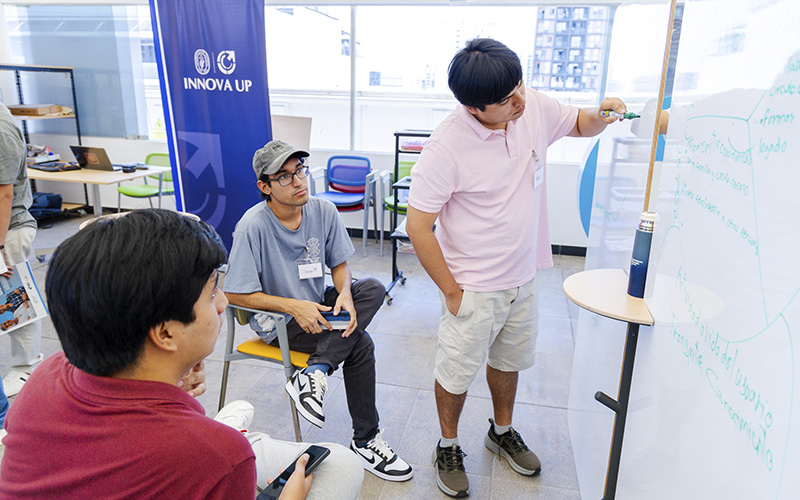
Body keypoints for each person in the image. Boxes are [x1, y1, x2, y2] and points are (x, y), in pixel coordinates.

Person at [0, 209, 363, 500]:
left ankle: (229, 427)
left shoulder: (47, 374)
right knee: (341, 465)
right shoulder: (218, 458)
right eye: (211, 292)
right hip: (201, 450)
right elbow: (192, 455)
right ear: (165, 334)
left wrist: (171, 375)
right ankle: (232, 430)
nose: (223, 303)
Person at [405, 38, 628, 498]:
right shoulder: (445, 148)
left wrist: (601, 113)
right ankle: (448, 445)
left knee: (509, 362)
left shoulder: (529, 105)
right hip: (473, 286)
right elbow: (418, 227)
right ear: (473, 107)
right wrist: (452, 292)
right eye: (506, 100)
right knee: (456, 372)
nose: (520, 101)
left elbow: (580, 124)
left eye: (520, 86)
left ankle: (501, 432)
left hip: (524, 277)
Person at [223, 140, 413, 483]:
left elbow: (339, 265)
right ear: (264, 187)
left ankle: (314, 373)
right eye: (284, 176)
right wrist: (293, 306)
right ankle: (365, 441)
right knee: (360, 344)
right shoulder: (252, 226)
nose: (298, 181)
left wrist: (345, 295)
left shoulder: (323, 210)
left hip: (318, 302)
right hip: (280, 320)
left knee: (371, 288)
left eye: (299, 171)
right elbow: (234, 292)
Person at [0, 102, 40, 398]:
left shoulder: (2, 131)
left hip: (9, 229)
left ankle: (27, 366)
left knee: (15, 301)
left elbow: (4, 194)